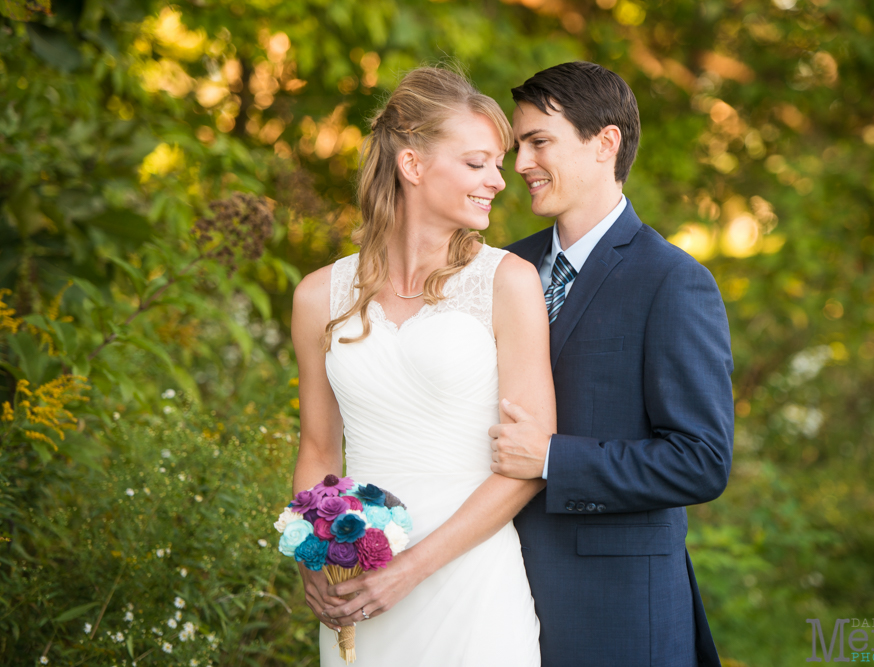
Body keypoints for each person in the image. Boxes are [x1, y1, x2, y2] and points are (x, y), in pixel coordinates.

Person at [289, 67, 553, 666]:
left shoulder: (507, 283)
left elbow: (530, 464)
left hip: (472, 583)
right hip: (356, 583)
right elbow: (318, 448)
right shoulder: (317, 296)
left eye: (497, 164)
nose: (498, 181)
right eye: (477, 163)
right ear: (412, 165)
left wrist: (405, 572)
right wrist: (310, 555)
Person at [490, 61, 735, 667]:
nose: (519, 164)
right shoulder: (498, 269)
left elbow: (700, 461)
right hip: (491, 593)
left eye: (538, 142)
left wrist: (551, 458)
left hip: (617, 614)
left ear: (605, 143)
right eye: (517, 145)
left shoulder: (674, 282)